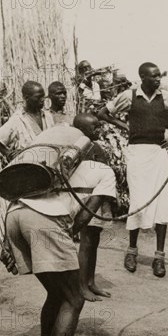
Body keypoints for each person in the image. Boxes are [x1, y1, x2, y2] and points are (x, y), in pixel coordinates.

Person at [3, 125, 116, 336]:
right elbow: (84, 218)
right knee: (74, 299)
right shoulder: (104, 171)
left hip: (15, 216)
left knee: (57, 294)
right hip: (43, 223)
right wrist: (64, 234)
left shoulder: (48, 161)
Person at [98, 62, 168, 278]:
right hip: (136, 154)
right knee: (138, 202)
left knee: (162, 203)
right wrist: (125, 127)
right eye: (154, 76)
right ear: (142, 77)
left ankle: (159, 256)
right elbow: (103, 113)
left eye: (159, 76)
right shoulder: (129, 96)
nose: (158, 79)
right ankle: (131, 251)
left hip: (158, 153)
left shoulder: (166, 97)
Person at [72, 113, 114, 301]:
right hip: (85, 199)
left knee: (94, 240)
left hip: (97, 197)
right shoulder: (74, 149)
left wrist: (106, 205)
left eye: (99, 126)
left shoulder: (96, 147)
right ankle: (81, 286)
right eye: (94, 127)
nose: (99, 130)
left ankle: (90, 282)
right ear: (81, 131)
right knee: (86, 242)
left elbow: (105, 176)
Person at [0, 81, 54, 159]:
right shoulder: (17, 119)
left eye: (43, 97)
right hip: (28, 166)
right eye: (38, 97)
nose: (42, 100)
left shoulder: (48, 116)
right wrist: (8, 153)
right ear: (27, 98)